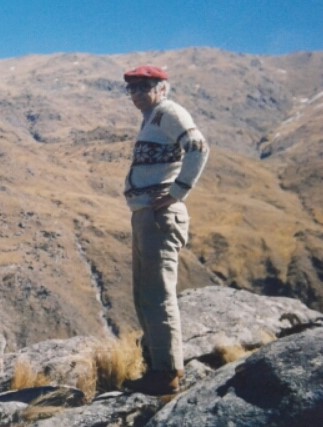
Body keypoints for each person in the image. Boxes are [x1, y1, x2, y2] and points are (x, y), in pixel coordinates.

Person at [123, 65, 209, 395]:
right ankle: (156, 366)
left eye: (143, 87)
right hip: (146, 216)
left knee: (158, 295)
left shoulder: (169, 112)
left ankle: (168, 373)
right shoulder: (152, 117)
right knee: (144, 294)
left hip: (160, 217)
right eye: (131, 88)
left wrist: (176, 192)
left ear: (162, 88)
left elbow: (198, 146)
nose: (136, 94)